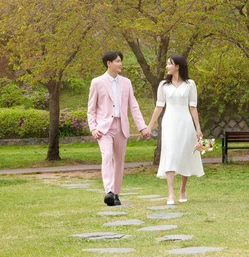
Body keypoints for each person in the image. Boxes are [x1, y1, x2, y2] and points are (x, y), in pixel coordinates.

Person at [87, 51, 150, 206]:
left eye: (121, 61)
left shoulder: (126, 83)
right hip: (104, 128)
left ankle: (116, 194)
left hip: (121, 126)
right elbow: (91, 109)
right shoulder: (97, 82)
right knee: (107, 156)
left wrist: (142, 127)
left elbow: (134, 107)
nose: (121, 64)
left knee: (119, 162)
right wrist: (93, 127)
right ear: (109, 63)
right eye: (118, 61)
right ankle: (108, 192)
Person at [145, 54, 204, 204]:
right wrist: (150, 125)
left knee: (185, 154)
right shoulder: (163, 86)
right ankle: (170, 193)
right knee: (170, 154)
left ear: (177, 66)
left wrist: (198, 129)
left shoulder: (190, 84)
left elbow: (193, 107)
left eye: (169, 64)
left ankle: (182, 190)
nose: (167, 66)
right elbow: (159, 107)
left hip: (185, 122)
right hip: (169, 122)